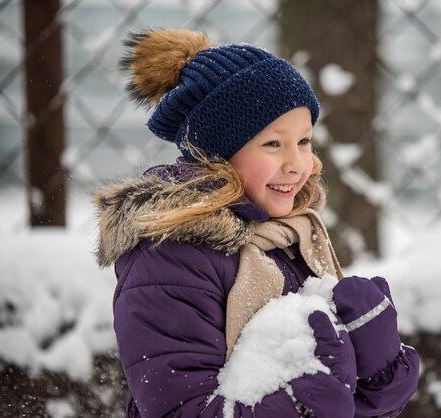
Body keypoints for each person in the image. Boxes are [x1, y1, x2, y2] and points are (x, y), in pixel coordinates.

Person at [94, 29, 419, 418]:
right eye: (272, 144)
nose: (297, 164)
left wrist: (379, 376)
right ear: (218, 155)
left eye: (304, 141)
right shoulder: (171, 255)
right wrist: (301, 408)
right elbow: (179, 409)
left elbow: (339, 400)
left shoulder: (289, 235)